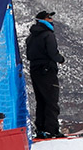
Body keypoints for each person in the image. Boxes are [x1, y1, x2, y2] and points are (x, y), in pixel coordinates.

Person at [25, 10, 67, 139]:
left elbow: (29, 55)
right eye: (49, 18)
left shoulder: (31, 37)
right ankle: (52, 130)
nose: (52, 20)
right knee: (51, 100)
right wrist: (61, 59)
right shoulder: (48, 35)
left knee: (41, 100)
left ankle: (41, 129)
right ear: (43, 20)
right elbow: (53, 53)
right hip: (47, 70)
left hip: (34, 70)